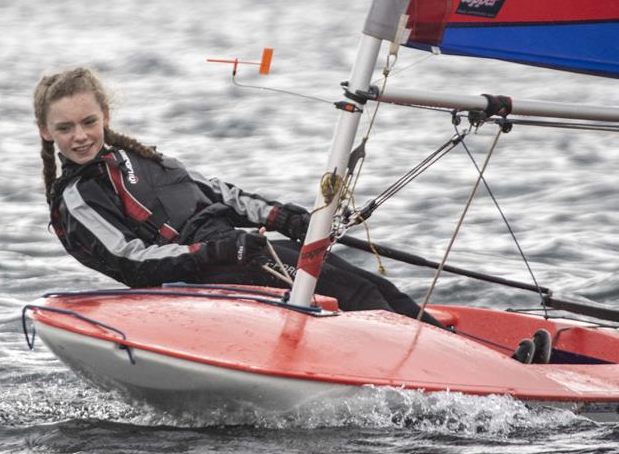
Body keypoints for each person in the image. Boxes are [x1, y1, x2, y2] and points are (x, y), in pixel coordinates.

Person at [34, 67, 442, 326]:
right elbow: (130, 260)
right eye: (66, 128)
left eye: (88, 121)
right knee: (359, 296)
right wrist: (220, 253)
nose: (81, 135)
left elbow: (218, 194)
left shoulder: (138, 157)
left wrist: (284, 217)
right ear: (47, 132)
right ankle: (437, 362)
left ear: (104, 115)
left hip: (243, 252)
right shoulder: (78, 198)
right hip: (204, 277)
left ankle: (454, 345)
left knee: (379, 288)